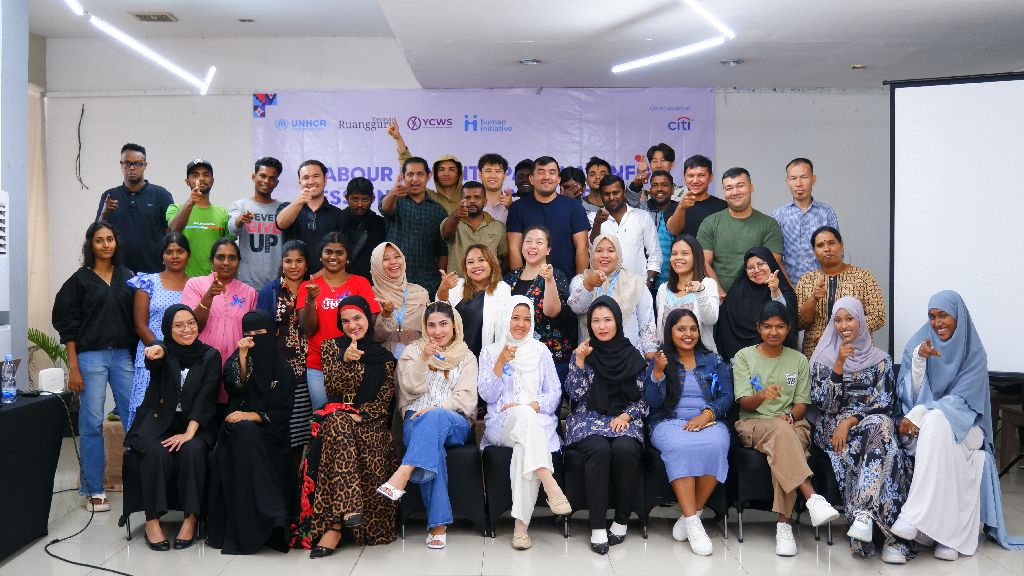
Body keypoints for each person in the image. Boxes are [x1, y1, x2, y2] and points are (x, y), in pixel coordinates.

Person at [891, 291, 1024, 559]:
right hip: (931, 427)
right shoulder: (921, 343)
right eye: (932, 316)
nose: (937, 322)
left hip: (969, 428)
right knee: (938, 429)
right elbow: (909, 396)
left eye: (944, 315)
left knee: (937, 420)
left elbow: (964, 404)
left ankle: (912, 517)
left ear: (958, 317)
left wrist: (923, 412)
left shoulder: (975, 354)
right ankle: (950, 539)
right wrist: (919, 361)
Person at [732, 301, 841, 557]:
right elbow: (744, 402)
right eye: (768, 326)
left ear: (789, 328)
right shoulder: (744, 357)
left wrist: (790, 416)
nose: (774, 332)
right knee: (783, 434)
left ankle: (785, 525)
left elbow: (801, 404)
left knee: (783, 441)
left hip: (792, 424)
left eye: (780, 327)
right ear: (758, 328)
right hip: (754, 423)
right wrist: (762, 395)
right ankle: (809, 500)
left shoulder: (799, 359)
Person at [808, 297, 913, 564]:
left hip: (866, 425)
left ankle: (864, 516)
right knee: (887, 449)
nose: (844, 325)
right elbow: (823, 404)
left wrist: (850, 421)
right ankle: (893, 540)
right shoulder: (823, 358)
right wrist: (839, 365)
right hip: (833, 431)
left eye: (850, 319)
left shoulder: (882, 361)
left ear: (861, 321)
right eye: (838, 320)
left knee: (880, 429)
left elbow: (884, 403)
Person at [293, 296, 399, 557]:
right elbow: (334, 389)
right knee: (339, 421)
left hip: (370, 423)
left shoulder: (384, 357)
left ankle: (334, 527)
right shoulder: (331, 347)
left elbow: (385, 400)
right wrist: (347, 361)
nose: (352, 325)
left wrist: (361, 416)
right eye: (345, 321)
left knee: (340, 423)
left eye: (357, 318)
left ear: (368, 318)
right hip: (337, 418)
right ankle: (344, 515)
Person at [377, 302, 478, 550]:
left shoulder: (466, 356)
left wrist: (437, 408)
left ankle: (404, 472)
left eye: (443, 324)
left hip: (454, 420)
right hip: (415, 419)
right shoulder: (412, 351)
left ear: (454, 325)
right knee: (434, 449)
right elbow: (410, 388)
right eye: (431, 325)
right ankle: (437, 525)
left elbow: (466, 398)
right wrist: (424, 358)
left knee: (435, 417)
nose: (437, 331)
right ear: (424, 327)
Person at [52, 222, 137, 512]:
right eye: (99, 240)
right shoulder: (79, 280)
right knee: (91, 422)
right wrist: (73, 367)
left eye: (110, 239)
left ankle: (140, 482)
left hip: (123, 355)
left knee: (135, 418)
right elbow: (67, 325)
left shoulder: (128, 277)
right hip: (90, 357)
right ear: (90, 244)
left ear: (116, 242)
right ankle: (93, 489)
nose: (105, 244)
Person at [478, 296, 571, 550]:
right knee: (523, 422)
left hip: (535, 421)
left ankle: (521, 527)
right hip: (501, 425)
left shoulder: (540, 351)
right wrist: (500, 362)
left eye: (527, 319)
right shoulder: (490, 352)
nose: (521, 324)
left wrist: (530, 407)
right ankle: (550, 484)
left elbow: (554, 393)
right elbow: (487, 396)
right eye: (515, 318)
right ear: (505, 319)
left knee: (523, 445)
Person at [125, 305, 220, 551]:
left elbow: (206, 398)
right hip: (158, 422)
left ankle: (191, 518)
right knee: (156, 452)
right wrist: (156, 350)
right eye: (178, 325)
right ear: (168, 329)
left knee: (193, 451)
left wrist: (189, 433)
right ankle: (152, 521)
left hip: (195, 424)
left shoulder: (211, 355)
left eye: (191, 323)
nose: (187, 329)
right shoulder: (163, 352)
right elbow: (156, 356)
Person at [644, 308, 733, 556]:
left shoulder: (713, 361)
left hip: (708, 420)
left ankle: (691, 516)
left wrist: (707, 415)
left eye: (693, 329)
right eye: (681, 329)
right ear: (670, 332)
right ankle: (694, 525)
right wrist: (658, 373)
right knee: (680, 446)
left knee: (718, 444)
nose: (688, 334)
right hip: (668, 422)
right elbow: (652, 402)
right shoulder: (660, 359)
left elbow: (727, 396)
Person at [565, 296, 648, 555]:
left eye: (607, 320)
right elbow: (575, 395)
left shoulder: (633, 355)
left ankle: (621, 520)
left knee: (625, 450)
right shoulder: (583, 353)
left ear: (618, 322)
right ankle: (597, 526)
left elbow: (644, 399)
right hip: (588, 418)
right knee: (599, 449)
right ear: (589, 324)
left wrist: (627, 416)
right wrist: (579, 362)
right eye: (596, 321)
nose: (602, 326)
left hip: (624, 417)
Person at [206, 310, 294, 554]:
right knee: (244, 433)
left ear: (273, 333)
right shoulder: (237, 358)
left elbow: (283, 413)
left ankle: (270, 518)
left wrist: (252, 416)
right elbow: (237, 387)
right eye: (249, 333)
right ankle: (271, 517)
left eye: (260, 333)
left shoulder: (283, 370)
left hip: (271, 434)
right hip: (236, 433)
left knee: (248, 432)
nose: (254, 338)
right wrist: (243, 357)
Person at [297, 232, 380, 410]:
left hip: (355, 364)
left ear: (347, 257)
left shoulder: (361, 283)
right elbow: (308, 329)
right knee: (322, 417)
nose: (333, 257)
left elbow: (370, 324)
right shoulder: (308, 286)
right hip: (318, 365)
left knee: (352, 416)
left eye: (339, 252)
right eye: (328, 252)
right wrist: (311, 299)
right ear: (321, 256)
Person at [255, 240, 312, 467]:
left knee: (299, 432)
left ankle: (294, 481)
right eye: (288, 261)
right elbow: (261, 331)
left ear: (306, 264)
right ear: (282, 263)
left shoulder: (313, 289)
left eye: (299, 261)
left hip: (306, 369)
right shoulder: (270, 291)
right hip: (278, 369)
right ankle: (274, 478)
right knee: (277, 427)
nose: (294, 266)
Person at [180, 238, 257, 405]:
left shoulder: (249, 292)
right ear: (211, 260)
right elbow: (191, 326)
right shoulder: (195, 285)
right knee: (201, 411)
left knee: (230, 413)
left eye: (232, 258)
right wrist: (208, 296)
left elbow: (252, 335)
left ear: (238, 262)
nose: (226, 262)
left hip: (235, 367)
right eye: (220, 257)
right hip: (202, 363)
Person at [126, 232, 190, 430]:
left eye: (180, 251)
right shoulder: (148, 282)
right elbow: (140, 325)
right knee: (146, 414)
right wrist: (160, 350)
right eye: (169, 252)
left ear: (188, 255)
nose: (174, 256)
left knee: (177, 415)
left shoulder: (195, 285)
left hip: (183, 359)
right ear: (162, 256)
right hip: (151, 355)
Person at [795, 226, 886, 357]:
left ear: (841, 246)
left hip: (856, 352)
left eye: (831, 243)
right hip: (816, 352)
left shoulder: (863, 277)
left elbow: (878, 316)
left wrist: (833, 334)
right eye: (820, 245)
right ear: (814, 251)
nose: (826, 248)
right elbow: (798, 323)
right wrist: (813, 299)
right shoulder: (806, 280)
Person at [697, 167, 784, 297]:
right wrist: (719, 293)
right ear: (724, 192)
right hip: (719, 298)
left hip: (758, 299)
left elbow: (771, 264)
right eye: (729, 188)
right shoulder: (710, 223)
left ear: (751, 187)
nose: (735, 192)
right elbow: (703, 262)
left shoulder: (769, 224)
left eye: (740, 186)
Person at [504, 225, 576, 382]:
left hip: (549, 359)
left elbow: (553, 312)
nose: (532, 246)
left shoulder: (557, 276)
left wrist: (549, 280)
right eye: (528, 241)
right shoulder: (510, 279)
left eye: (539, 242)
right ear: (522, 247)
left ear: (548, 249)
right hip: (516, 357)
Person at [568, 235, 658, 357]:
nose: (604, 255)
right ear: (592, 254)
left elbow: (647, 324)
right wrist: (588, 284)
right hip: (591, 358)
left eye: (611, 251)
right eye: (599, 250)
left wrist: (650, 359)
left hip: (628, 359)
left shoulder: (636, 283)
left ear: (619, 254)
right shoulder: (581, 281)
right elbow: (577, 308)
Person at [506, 156, 591, 278]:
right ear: (531, 179)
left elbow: (582, 248)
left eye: (552, 172)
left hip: (567, 283)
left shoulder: (574, 207)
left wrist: (579, 284)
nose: (546, 177)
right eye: (541, 172)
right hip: (529, 284)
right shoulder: (517, 208)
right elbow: (514, 248)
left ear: (558, 179)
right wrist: (519, 282)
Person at [96, 143, 174, 274]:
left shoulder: (161, 194)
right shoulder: (110, 196)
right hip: (117, 272)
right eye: (127, 163)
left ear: (145, 165)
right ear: (121, 165)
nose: (132, 168)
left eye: (137, 164)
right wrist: (105, 212)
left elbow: (170, 233)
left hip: (154, 272)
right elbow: (97, 234)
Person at [380, 156, 450, 295]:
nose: (415, 179)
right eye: (410, 174)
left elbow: (442, 250)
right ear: (403, 176)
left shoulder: (438, 210)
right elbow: (385, 209)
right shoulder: (394, 200)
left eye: (420, 174)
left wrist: (440, 280)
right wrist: (393, 193)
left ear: (428, 176)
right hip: (396, 282)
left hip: (429, 283)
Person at [716, 248, 798, 362]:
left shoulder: (784, 292)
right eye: (750, 268)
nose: (756, 270)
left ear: (771, 264)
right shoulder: (736, 293)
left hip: (779, 359)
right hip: (740, 360)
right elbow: (725, 330)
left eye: (761, 264)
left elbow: (788, 320)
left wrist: (775, 291)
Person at [437, 244, 512, 358]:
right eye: (470, 262)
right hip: (453, 355)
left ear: (491, 263)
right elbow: (440, 308)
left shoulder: (501, 288)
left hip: (484, 357)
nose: (476, 265)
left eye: (481, 260)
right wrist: (443, 288)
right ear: (465, 267)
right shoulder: (458, 285)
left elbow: (503, 329)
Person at [772, 158, 840, 283]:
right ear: (787, 182)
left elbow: (837, 252)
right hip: (789, 286)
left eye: (804, 177)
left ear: (813, 179)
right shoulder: (778, 215)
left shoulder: (826, 212)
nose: (799, 183)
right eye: (793, 178)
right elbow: (774, 258)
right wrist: (788, 288)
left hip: (822, 285)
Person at [275, 160, 346, 276]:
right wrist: (299, 201)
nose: (311, 181)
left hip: (326, 279)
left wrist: (317, 277)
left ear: (325, 180)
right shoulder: (287, 207)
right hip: (292, 279)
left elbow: (341, 253)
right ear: (300, 183)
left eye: (316, 176)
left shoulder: (338, 214)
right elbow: (281, 223)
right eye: (306, 178)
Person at [588, 175, 661, 287]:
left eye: (615, 193)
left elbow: (654, 253)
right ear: (601, 196)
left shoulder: (642, 217)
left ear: (625, 192)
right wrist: (597, 224)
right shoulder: (593, 218)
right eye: (607, 194)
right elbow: (592, 249)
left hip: (637, 286)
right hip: (604, 287)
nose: (611, 197)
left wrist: (648, 281)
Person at [655, 235, 719, 353]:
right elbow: (662, 328)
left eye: (684, 253)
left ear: (696, 257)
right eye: (674, 254)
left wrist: (700, 292)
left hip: (700, 356)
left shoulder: (708, 284)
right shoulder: (663, 289)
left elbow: (710, 320)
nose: (678, 257)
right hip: (669, 356)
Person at [228, 157, 284, 289]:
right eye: (262, 176)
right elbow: (232, 230)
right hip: (245, 283)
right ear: (254, 177)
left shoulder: (283, 209)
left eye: (271, 178)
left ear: (276, 183)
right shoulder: (239, 205)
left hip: (276, 284)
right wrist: (240, 220)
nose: (266, 181)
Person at [167, 159, 230, 278]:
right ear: (187, 181)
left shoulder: (223, 213)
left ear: (212, 180)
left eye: (206, 174)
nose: (201, 178)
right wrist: (190, 203)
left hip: (214, 280)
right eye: (195, 175)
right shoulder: (175, 208)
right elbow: (174, 230)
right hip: (183, 280)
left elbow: (228, 248)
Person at [387, 118, 463, 214]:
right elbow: (409, 163)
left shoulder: (468, 196)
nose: (446, 173)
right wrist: (398, 138)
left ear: (459, 174)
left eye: (451, 169)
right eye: (441, 169)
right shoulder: (429, 196)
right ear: (434, 174)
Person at [370, 242, 430, 359]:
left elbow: (429, 331)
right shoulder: (372, 295)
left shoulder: (420, 293)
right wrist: (386, 315)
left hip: (416, 359)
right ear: (377, 265)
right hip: (383, 361)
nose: (393, 262)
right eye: (386, 259)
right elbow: (376, 337)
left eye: (397, 257)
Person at [440, 181, 509, 274]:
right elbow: (446, 236)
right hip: (457, 282)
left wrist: (492, 276)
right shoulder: (451, 222)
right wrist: (455, 216)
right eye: (467, 197)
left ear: (485, 202)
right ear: (461, 201)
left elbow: (505, 258)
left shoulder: (498, 227)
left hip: (488, 282)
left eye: (477, 197)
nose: (472, 201)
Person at [665, 154, 727, 238]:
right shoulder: (673, 207)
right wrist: (681, 208)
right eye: (690, 176)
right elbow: (674, 231)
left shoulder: (723, 206)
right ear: (684, 179)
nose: (695, 181)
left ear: (711, 177)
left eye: (701, 175)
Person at [337, 177, 386, 280]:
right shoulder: (336, 221)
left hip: (372, 281)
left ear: (372, 199)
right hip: (341, 281)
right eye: (355, 199)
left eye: (365, 199)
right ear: (347, 198)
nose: (360, 204)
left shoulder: (381, 224)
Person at [645, 170, 681, 289]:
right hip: (643, 283)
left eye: (664, 185)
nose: (659, 189)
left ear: (672, 189)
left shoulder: (681, 211)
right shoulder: (641, 211)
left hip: (672, 284)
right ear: (650, 190)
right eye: (655, 185)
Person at [627, 142, 685, 207]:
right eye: (655, 161)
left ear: (672, 164)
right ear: (650, 165)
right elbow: (635, 206)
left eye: (663, 160)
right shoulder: (647, 193)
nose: (658, 165)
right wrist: (640, 177)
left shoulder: (684, 192)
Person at [478, 153, 515, 223]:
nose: (493, 176)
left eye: (498, 171)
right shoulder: (471, 204)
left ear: (505, 176)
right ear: (480, 175)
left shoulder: (515, 204)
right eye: (488, 171)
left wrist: (511, 207)